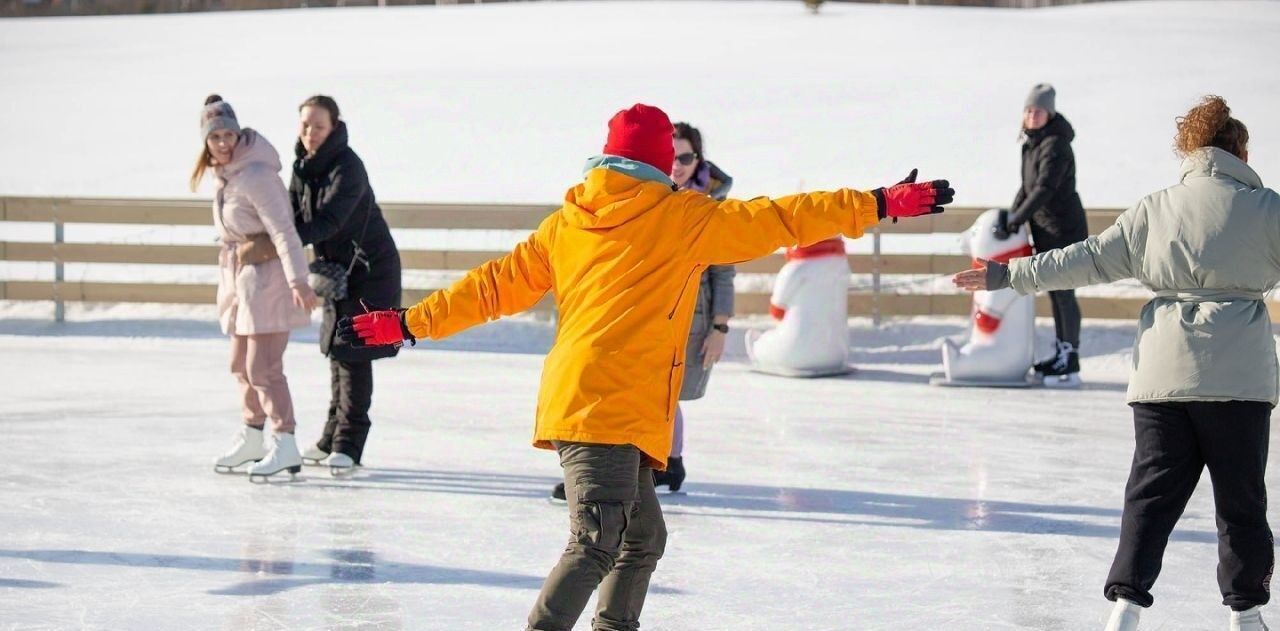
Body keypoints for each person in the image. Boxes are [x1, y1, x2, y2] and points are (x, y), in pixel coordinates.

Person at [343, 103, 953, 631]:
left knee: (641, 538)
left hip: (602, 402)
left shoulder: (568, 223)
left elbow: (492, 286)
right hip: (606, 407)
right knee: (596, 540)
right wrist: (875, 203)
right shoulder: (681, 218)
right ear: (662, 163)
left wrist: (410, 321)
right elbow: (782, 217)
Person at [955, 95, 1273, 631]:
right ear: (1240, 150)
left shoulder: (1155, 209)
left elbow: (1084, 259)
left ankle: (1124, 609)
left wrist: (1009, 274)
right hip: (1238, 379)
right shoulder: (1268, 211)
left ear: (1191, 148)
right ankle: (1247, 617)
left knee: (1150, 495)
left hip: (1161, 378)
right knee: (1240, 500)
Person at [551, 121, 734, 500]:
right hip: (648, 310)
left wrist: (720, 327)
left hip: (692, 316)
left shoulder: (707, 206)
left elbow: (723, 273)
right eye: (674, 156)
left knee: (668, 394)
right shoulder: (644, 198)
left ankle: (665, 464)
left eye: (687, 157)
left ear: (698, 159)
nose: (679, 165)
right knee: (638, 391)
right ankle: (635, 469)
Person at [237, 95, 403, 475]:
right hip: (335, 270)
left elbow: (330, 221)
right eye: (305, 125)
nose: (310, 133)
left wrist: (280, 241)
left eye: (319, 126)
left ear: (334, 127)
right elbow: (291, 213)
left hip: (369, 269)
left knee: (354, 352)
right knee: (334, 348)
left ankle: (349, 442)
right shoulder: (302, 167)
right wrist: (274, 233)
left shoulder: (349, 167)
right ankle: (331, 436)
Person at [197, 95, 318, 482]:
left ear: (238, 133)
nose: (222, 142)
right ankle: (253, 437)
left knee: (263, 368)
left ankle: (285, 442)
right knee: (240, 366)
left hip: (271, 282)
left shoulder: (257, 175)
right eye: (215, 136)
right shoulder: (229, 175)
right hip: (244, 284)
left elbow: (284, 230)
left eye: (228, 134)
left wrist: (298, 279)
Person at [1000, 83, 1088, 385]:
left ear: (1049, 113)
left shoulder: (1055, 144)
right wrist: (1011, 217)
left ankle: (1070, 358)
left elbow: (1045, 189)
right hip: (1045, 228)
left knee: (1064, 293)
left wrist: (1019, 217)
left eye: (1037, 111)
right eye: (1028, 110)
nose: (1031, 115)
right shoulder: (1032, 144)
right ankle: (1062, 353)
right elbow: (1026, 187)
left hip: (1063, 227)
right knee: (1055, 290)